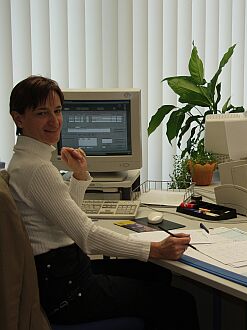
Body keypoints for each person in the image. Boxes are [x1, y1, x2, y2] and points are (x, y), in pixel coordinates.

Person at [7, 75, 199, 329]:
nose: (54, 121)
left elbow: (67, 224)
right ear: (19, 118)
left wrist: (79, 176)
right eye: (42, 113)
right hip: (68, 294)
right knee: (179, 302)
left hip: (59, 279)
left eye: (57, 111)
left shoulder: (24, 162)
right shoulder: (37, 170)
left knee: (157, 274)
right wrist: (154, 249)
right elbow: (86, 235)